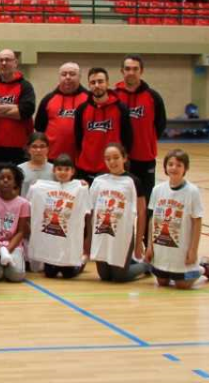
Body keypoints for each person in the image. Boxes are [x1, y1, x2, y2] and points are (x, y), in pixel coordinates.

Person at [144, 150, 209, 289]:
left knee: (182, 285)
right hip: (162, 246)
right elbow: (152, 219)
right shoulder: (157, 190)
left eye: (178, 165)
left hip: (181, 248)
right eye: (170, 164)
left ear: (185, 168)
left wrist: (193, 250)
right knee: (162, 282)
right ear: (165, 167)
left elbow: (197, 221)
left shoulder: (192, 191)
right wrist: (149, 246)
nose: (174, 168)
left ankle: (203, 267)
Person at [86, 143, 148, 283]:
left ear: (124, 158)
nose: (112, 162)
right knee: (105, 276)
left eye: (116, 157)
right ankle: (129, 261)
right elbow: (90, 210)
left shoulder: (133, 181)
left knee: (119, 277)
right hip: (102, 233)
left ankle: (146, 266)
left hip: (123, 235)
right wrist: (89, 238)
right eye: (108, 158)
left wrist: (139, 243)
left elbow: (142, 213)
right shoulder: (99, 180)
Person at [114, 55, 166, 202]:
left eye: (135, 69)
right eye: (128, 69)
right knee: (121, 202)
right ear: (122, 71)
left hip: (145, 158)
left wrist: (147, 141)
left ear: (141, 71)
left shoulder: (153, 96)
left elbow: (160, 124)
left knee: (146, 202)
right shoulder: (114, 96)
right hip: (120, 159)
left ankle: (144, 226)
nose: (131, 72)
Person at [27, 154, 89, 279]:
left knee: (68, 275)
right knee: (49, 274)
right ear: (54, 171)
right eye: (60, 169)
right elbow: (30, 203)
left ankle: (81, 263)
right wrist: (35, 187)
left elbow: (87, 211)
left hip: (68, 242)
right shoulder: (41, 187)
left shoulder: (79, 188)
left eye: (67, 169)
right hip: (51, 242)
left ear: (73, 172)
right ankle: (56, 264)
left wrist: (83, 186)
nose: (63, 172)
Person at [0, 49, 36, 167]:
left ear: (15, 62)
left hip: (19, 146)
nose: (4, 63)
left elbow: (26, 111)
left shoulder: (25, 86)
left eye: (8, 60)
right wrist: (14, 107)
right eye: (1, 60)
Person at [74, 67, 133, 181]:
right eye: (93, 82)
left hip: (112, 168)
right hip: (86, 168)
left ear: (107, 83)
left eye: (100, 81)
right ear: (89, 85)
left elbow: (128, 138)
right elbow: (78, 139)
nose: (97, 85)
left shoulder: (121, 108)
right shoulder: (82, 109)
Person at [34, 62, 88, 162]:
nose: (68, 77)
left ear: (79, 77)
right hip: (52, 158)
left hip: (80, 159)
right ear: (59, 77)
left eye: (72, 74)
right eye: (64, 74)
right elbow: (39, 128)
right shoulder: (48, 99)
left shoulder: (89, 99)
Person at [17, 132, 54, 199]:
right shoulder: (20, 169)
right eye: (34, 146)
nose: (38, 150)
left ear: (48, 149)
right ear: (28, 149)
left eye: (42, 146)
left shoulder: (54, 169)